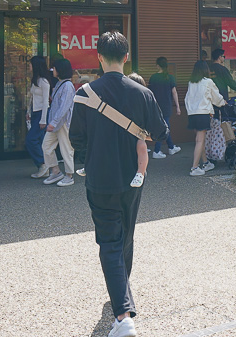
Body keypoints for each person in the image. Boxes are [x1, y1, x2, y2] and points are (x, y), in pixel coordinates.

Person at [69, 32, 167, 337]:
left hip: (99, 178)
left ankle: (123, 316)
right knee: (125, 238)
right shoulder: (142, 93)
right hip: (132, 178)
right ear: (126, 57)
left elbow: (76, 139)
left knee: (109, 242)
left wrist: (87, 158)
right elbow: (160, 133)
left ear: (98, 57)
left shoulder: (84, 93)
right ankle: (121, 293)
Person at [184, 60, 226, 176]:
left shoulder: (191, 82)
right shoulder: (208, 82)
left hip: (192, 114)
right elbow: (216, 97)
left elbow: (187, 99)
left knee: (199, 140)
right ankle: (194, 167)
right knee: (200, 140)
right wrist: (223, 102)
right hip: (203, 114)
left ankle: (206, 162)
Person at [39, 57, 77, 187]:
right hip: (56, 123)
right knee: (46, 146)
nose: (52, 70)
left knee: (66, 149)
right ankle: (55, 171)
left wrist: (53, 122)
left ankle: (69, 175)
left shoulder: (67, 85)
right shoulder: (62, 84)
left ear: (59, 70)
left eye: (54, 68)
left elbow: (64, 107)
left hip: (63, 123)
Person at [146, 57, 181, 159]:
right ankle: (157, 150)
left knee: (164, 126)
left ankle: (171, 147)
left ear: (157, 65)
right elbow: (174, 92)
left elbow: (150, 93)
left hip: (156, 106)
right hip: (166, 106)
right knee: (164, 127)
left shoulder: (153, 77)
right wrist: (178, 106)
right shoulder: (170, 77)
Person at [27, 55, 51, 179]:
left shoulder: (44, 81)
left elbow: (46, 102)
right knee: (40, 141)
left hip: (42, 113)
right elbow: (32, 98)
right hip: (35, 112)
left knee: (31, 140)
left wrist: (43, 119)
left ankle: (42, 163)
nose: (29, 66)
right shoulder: (35, 80)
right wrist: (28, 112)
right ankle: (43, 167)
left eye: (31, 64)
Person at [126, 73, 151, 188]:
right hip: (130, 134)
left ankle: (140, 173)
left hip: (137, 134)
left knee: (141, 145)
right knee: (141, 146)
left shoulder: (144, 101)